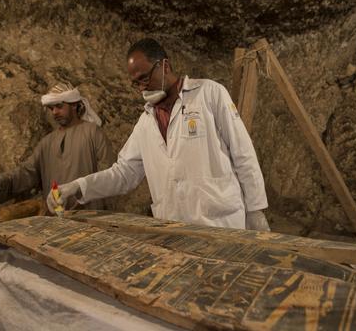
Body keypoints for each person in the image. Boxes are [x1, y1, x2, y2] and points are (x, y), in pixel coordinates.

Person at [48, 38, 270, 230]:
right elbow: (123, 174)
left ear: (164, 66)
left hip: (221, 224)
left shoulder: (209, 94)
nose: (142, 88)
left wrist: (256, 211)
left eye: (144, 78)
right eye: (135, 83)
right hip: (174, 229)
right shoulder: (146, 122)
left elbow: (243, 154)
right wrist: (78, 187)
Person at [0, 83, 114, 212]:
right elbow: (27, 172)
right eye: (51, 108)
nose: (55, 112)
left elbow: (109, 174)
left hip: (90, 216)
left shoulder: (93, 132)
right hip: (55, 219)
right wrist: (0, 182)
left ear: (74, 104)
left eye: (59, 106)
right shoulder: (47, 142)